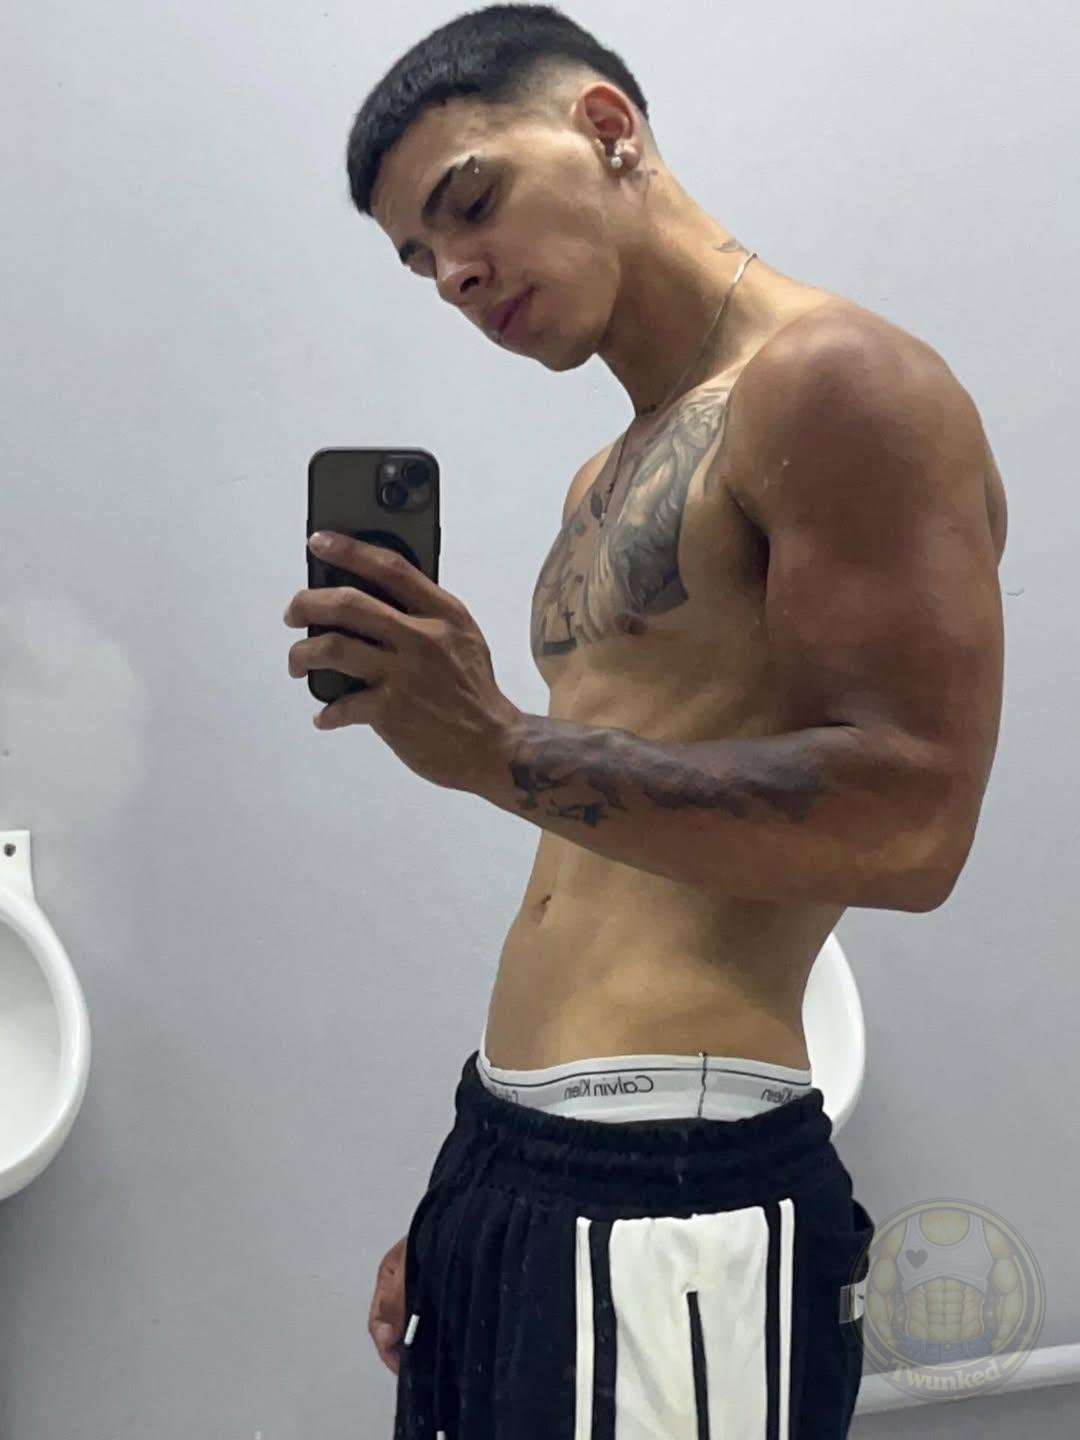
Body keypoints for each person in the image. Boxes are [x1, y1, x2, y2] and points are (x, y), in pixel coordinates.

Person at [343, 5, 1008, 1435]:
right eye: (419, 259)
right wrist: (476, 1183)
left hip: (678, 1183)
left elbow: (914, 823)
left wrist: (500, 748)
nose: (455, 272)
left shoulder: (838, 380)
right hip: (517, 1155)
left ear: (606, 129)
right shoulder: (604, 475)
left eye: (471, 202)